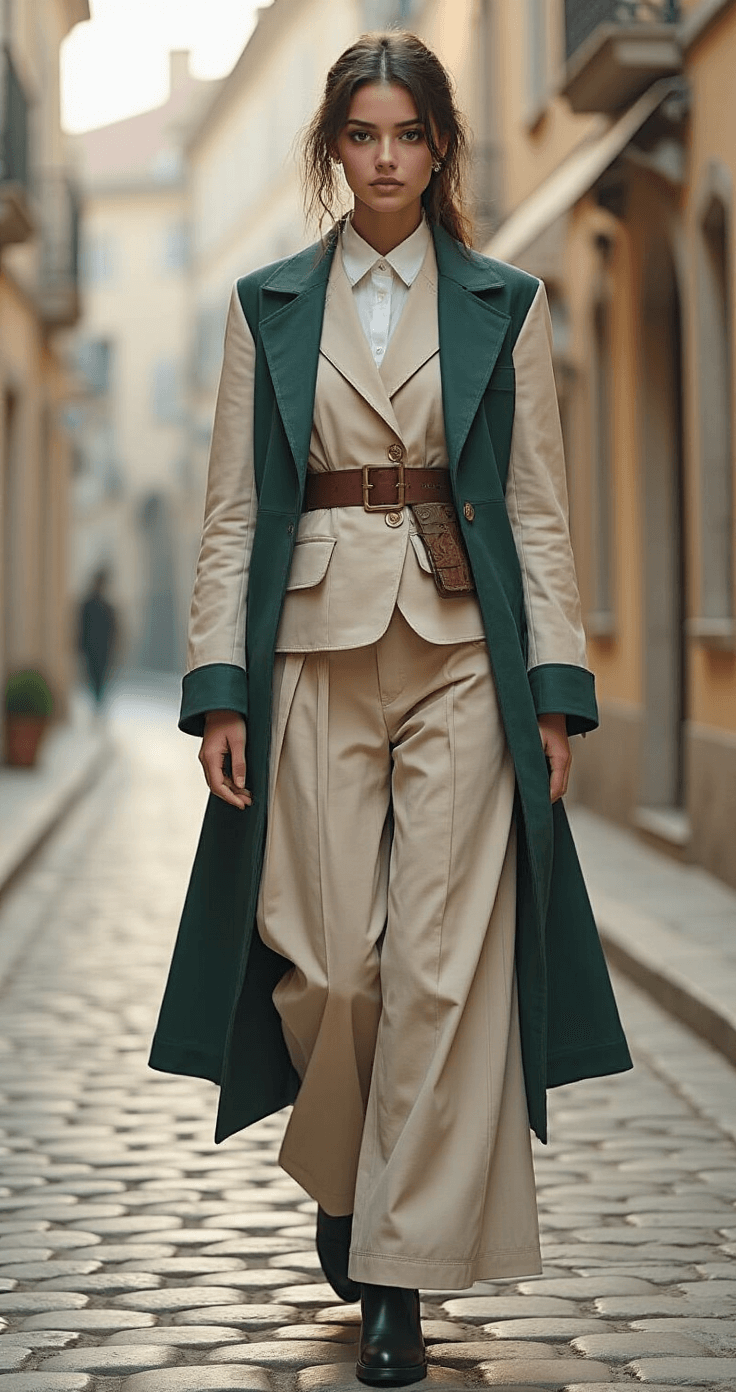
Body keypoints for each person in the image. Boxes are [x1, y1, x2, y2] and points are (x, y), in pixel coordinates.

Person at [150, 31, 631, 1387]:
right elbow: (234, 510)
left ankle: (392, 1281)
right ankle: (344, 1174)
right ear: (333, 148)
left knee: (434, 970)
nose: (383, 159)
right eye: (361, 136)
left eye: (406, 135)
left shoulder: (506, 302)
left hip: (464, 651)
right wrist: (219, 692)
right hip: (311, 649)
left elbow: (537, 506)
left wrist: (556, 693)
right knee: (334, 970)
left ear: (438, 149)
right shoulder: (268, 306)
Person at [78, 567, 117, 710]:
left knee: (100, 680)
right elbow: (81, 627)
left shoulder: (106, 607)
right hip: (92, 650)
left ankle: (98, 705)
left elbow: (113, 630)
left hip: (102, 651)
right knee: (93, 679)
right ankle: (97, 704)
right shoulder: (89, 605)